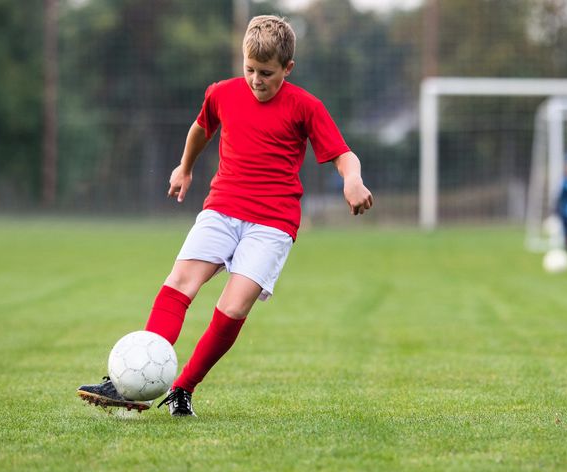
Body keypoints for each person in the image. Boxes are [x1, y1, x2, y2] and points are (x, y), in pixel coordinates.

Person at [77, 15, 373, 417]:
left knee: (233, 308)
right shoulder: (222, 93)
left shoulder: (306, 107)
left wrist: (352, 181)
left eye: (266, 73)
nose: (256, 80)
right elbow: (201, 129)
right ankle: (127, 384)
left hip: (272, 223)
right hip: (222, 209)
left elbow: (343, 154)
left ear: (288, 69)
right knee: (180, 283)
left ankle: (183, 389)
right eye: (249, 69)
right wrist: (185, 168)